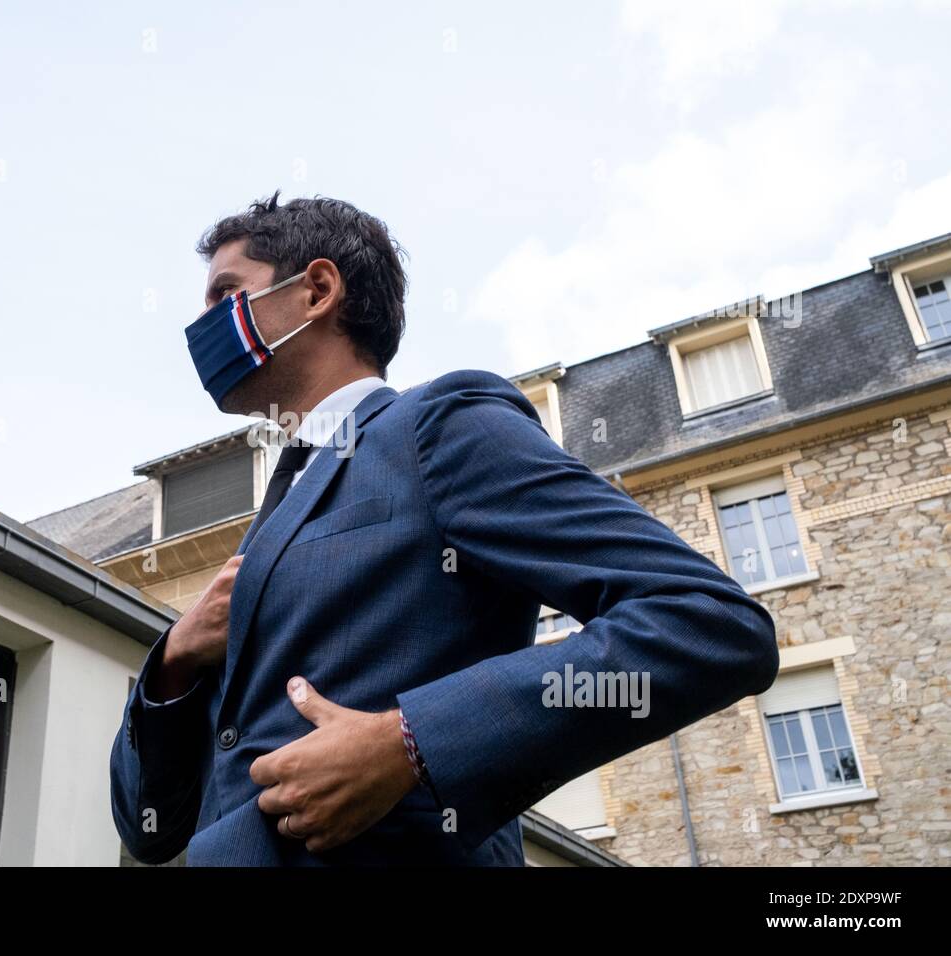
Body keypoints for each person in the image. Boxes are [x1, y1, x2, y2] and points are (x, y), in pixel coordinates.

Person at [110, 191, 779, 865]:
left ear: (316, 290)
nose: (203, 324)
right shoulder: (272, 520)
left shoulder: (437, 427)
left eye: (225, 292)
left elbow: (708, 623)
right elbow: (149, 829)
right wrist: (173, 661)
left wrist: (412, 742)